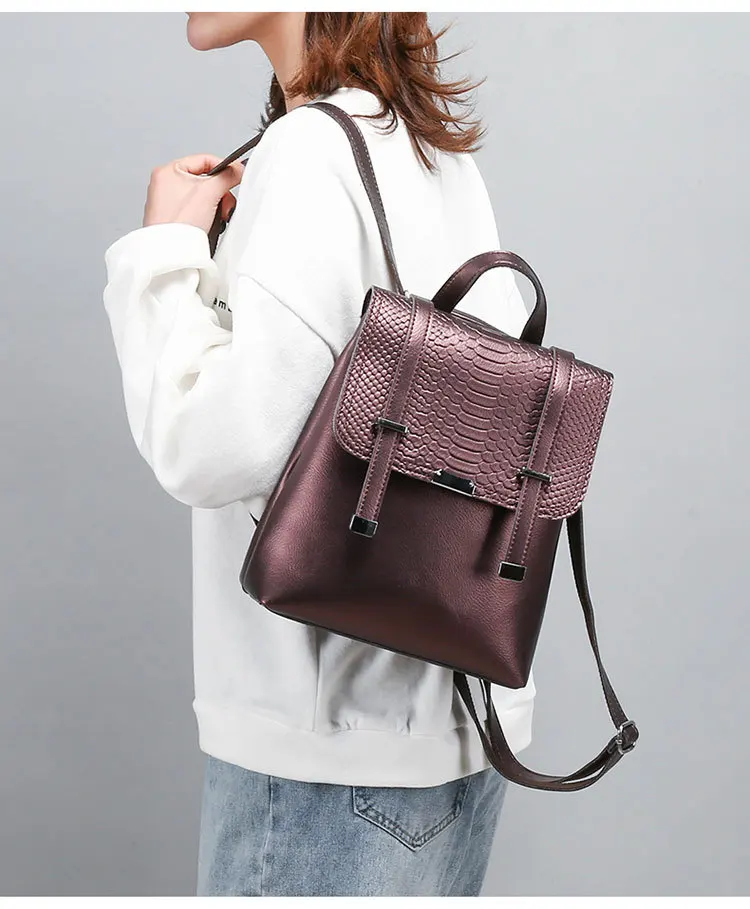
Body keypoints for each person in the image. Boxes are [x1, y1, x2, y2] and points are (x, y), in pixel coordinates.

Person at [102, 11, 537, 898]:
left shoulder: (308, 151)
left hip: (322, 753)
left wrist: (164, 255)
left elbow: (211, 450)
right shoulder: (428, 144)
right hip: (456, 730)